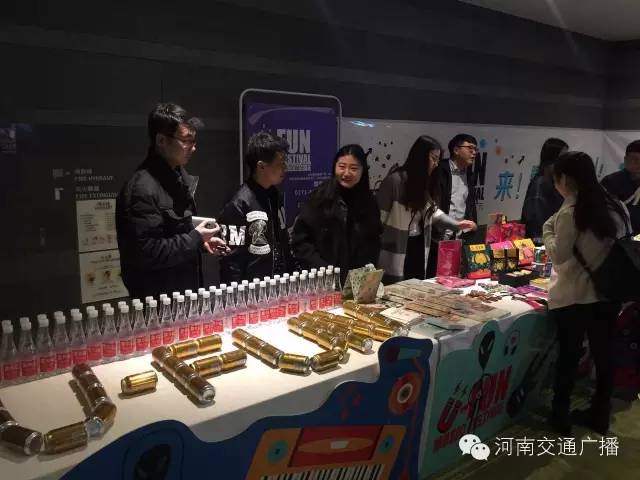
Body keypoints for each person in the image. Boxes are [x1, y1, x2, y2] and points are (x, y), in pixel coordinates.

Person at [543, 151, 630, 436]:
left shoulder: (571, 212)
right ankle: (600, 413)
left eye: (556, 179)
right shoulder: (616, 205)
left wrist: (547, 231)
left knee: (568, 357)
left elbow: (558, 255)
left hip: (576, 297)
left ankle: (560, 415)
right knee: (604, 354)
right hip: (608, 294)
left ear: (564, 179)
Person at [116, 103, 229, 300]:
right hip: (159, 303)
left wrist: (201, 242)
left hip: (182, 296)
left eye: (194, 140)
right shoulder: (142, 188)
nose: (193, 147)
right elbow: (147, 252)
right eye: (186, 141)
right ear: (161, 140)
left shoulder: (176, 178)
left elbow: (174, 233)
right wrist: (195, 238)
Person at [377, 135, 477, 284]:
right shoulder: (395, 181)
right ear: (420, 157)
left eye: (437, 160)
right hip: (397, 246)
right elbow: (379, 221)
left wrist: (456, 224)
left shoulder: (423, 182)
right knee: (395, 287)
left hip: (417, 244)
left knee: (416, 286)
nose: (436, 164)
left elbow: (432, 211)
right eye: (433, 159)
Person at [291, 145, 382, 284]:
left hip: (358, 281)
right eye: (342, 167)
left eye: (353, 168)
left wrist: (368, 267)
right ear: (334, 167)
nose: (346, 173)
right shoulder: (320, 198)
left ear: (363, 171)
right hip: (323, 280)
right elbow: (301, 242)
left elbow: (374, 240)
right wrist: (323, 270)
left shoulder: (369, 201)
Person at [218, 131, 296, 282]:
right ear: (261, 166)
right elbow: (231, 260)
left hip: (280, 283)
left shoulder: (276, 195)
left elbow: (283, 241)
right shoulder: (238, 204)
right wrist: (237, 293)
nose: (285, 168)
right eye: (280, 163)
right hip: (252, 288)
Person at [426, 133, 479, 277]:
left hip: (458, 238)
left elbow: (469, 203)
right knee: (432, 278)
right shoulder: (439, 170)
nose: (474, 153)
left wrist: (471, 224)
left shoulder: (469, 174)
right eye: (470, 148)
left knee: (453, 278)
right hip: (437, 237)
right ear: (456, 150)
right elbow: (431, 202)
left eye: (475, 149)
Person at [521, 138, 569, 242]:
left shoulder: (554, 182)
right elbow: (538, 227)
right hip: (540, 243)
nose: (566, 163)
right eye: (563, 158)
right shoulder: (540, 185)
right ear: (551, 160)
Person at [601, 139, 640, 234]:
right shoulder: (610, 181)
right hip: (617, 234)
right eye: (634, 159)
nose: (638, 163)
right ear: (625, 159)